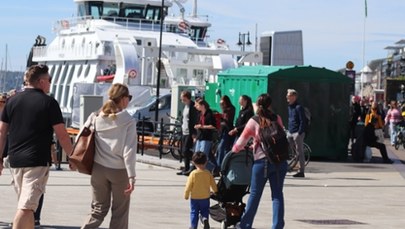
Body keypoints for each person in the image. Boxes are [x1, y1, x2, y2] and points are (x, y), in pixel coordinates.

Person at [0, 64, 73, 229]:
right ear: (41, 81)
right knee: (26, 207)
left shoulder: (12, 101)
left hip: (15, 161)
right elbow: (62, 135)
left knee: (28, 207)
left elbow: (2, 133)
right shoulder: (49, 103)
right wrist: (73, 158)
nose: (50, 83)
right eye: (49, 80)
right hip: (37, 161)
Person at [81, 83, 137, 229]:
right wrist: (131, 177)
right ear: (123, 99)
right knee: (120, 213)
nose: (129, 100)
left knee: (97, 210)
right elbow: (129, 150)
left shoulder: (96, 116)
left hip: (98, 169)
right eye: (129, 97)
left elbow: (82, 136)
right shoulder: (128, 122)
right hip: (119, 170)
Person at [232, 93, 287, 229]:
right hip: (280, 161)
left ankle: (245, 224)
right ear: (270, 105)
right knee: (277, 195)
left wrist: (234, 150)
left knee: (255, 195)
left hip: (262, 163)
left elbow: (240, 143)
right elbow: (281, 136)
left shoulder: (254, 120)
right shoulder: (277, 118)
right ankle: (277, 225)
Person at [184, 152, 218, 229]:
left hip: (195, 198)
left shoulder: (193, 174)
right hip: (205, 197)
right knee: (205, 211)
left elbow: (188, 186)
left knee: (194, 212)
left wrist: (186, 195)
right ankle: (205, 219)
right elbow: (213, 184)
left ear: (193, 162)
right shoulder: (208, 173)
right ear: (206, 162)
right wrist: (215, 191)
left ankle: (193, 226)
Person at [286, 89, 307, 178]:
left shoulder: (298, 107)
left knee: (299, 152)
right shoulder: (289, 107)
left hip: (297, 133)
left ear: (294, 97)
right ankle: (291, 166)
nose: (287, 97)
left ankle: (301, 171)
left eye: (289, 95)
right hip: (290, 131)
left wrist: (299, 132)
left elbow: (303, 121)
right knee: (292, 151)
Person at [177, 91, 198, 176]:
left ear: (187, 97)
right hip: (184, 130)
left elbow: (193, 120)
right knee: (183, 150)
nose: (181, 99)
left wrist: (193, 133)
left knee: (187, 150)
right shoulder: (185, 106)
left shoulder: (192, 106)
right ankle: (186, 168)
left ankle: (188, 168)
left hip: (189, 132)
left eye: (182, 97)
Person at [194, 99, 217, 173]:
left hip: (206, 137)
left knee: (203, 155)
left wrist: (202, 126)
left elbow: (213, 126)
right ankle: (214, 167)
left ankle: (209, 169)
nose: (196, 106)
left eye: (197, 105)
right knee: (197, 154)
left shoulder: (209, 114)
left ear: (202, 106)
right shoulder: (199, 114)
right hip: (199, 136)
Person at [216, 95, 235, 167]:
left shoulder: (230, 109)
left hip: (228, 130)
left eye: (223, 103)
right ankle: (220, 165)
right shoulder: (225, 110)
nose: (221, 105)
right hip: (222, 130)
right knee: (220, 148)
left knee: (222, 148)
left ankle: (221, 166)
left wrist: (223, 110)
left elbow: (227, 120)